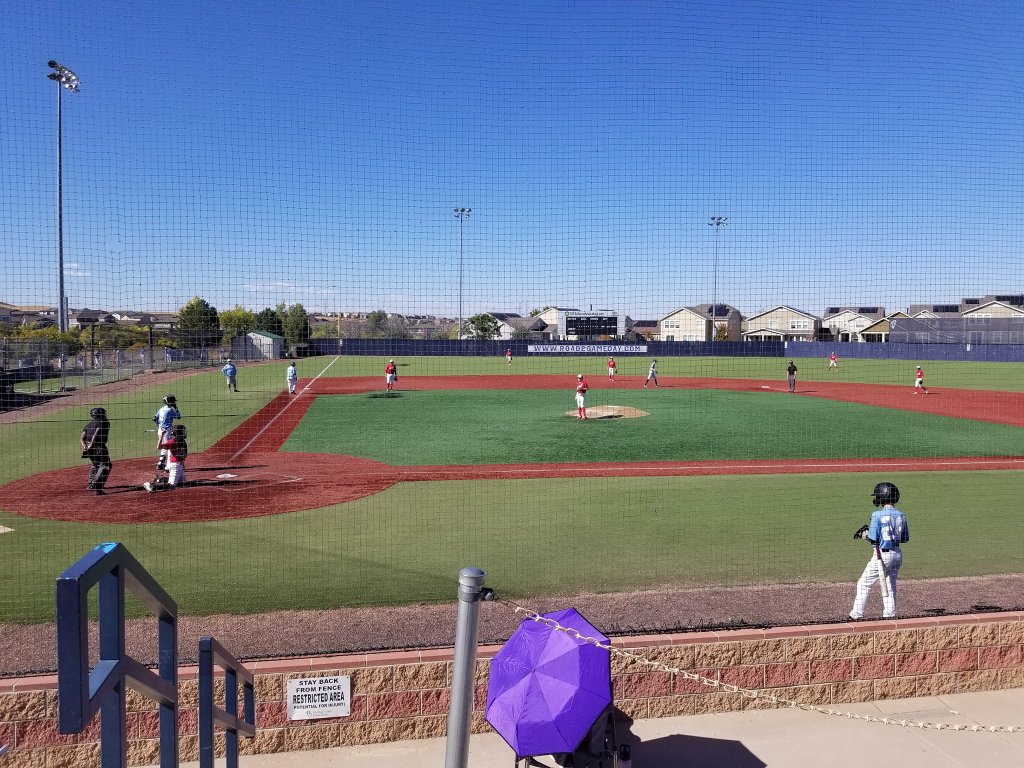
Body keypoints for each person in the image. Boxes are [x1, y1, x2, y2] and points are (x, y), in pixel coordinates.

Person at [849, 481, 910, 620]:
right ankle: (889, 614)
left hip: (882, 555)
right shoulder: (902, 515)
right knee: (890, 583)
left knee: (864, 583)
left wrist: (864, 535)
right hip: (897, 555)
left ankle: (856, 615)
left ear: (882, 497)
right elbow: (904, 538)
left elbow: (873, 538)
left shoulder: (876, 515)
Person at [145, 424, 188, 492]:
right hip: (175, 466)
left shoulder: (183, 441)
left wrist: (182, 460)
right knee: (171, 486)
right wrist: (161, 435)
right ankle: (151, 486)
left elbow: (185, 455)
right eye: (182, 431)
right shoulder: (172, 442)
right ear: (178, 433)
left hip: (180, 465)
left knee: (182, 483)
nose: (184, 432)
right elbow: (159, 447)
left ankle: (160, 479)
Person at [80, 407, 112, 495]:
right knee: (106, 465)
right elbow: (97, 432)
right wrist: (92, 443)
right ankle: (98, 487)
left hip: (89, 448)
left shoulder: (89, 424)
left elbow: (82, 437)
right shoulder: (104, 422)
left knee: (95, 465)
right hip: (98, 446)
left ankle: (91, 485)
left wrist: (85, 446)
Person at [153, 394, 180, 470]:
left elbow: (154, 418)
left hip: (160, 430)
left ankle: (160, 463)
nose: (173, 403)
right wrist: (176, 409)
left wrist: (158, 425)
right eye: (172, 402)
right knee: (170, 447)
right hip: (167, 431)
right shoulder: (170, 410)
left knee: (164, 446)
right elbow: (178, 417)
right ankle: (168, 466)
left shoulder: (161, 409)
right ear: (169, 402)